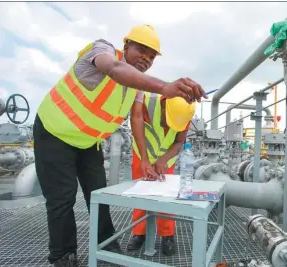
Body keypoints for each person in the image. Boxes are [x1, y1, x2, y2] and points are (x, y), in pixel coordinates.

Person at [33, 24, 206, 267]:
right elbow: (113, 69)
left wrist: (149, 159)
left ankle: (107, 243)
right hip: (54, 132)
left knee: (98, 194)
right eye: (141, 50)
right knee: (62, 197)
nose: (146, 58)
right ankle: (63, 255)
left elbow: (136, 117)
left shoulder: (136, 85)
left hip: (88, 142)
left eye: (152, 55)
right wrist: (165, 87)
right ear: (126, 46)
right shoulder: (101, 50)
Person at [127, 92, 196, 255]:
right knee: (141, 193)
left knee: (166, 196)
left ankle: (167, 235)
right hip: (142, 154)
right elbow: (136, 122)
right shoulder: (147, 102)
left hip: (166, 160)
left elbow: (179, 142)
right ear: (165, 104)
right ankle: (139, 233)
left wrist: (163, 159)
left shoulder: (185, 112)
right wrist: (144, 158)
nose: (168, 125)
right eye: (168, 120)